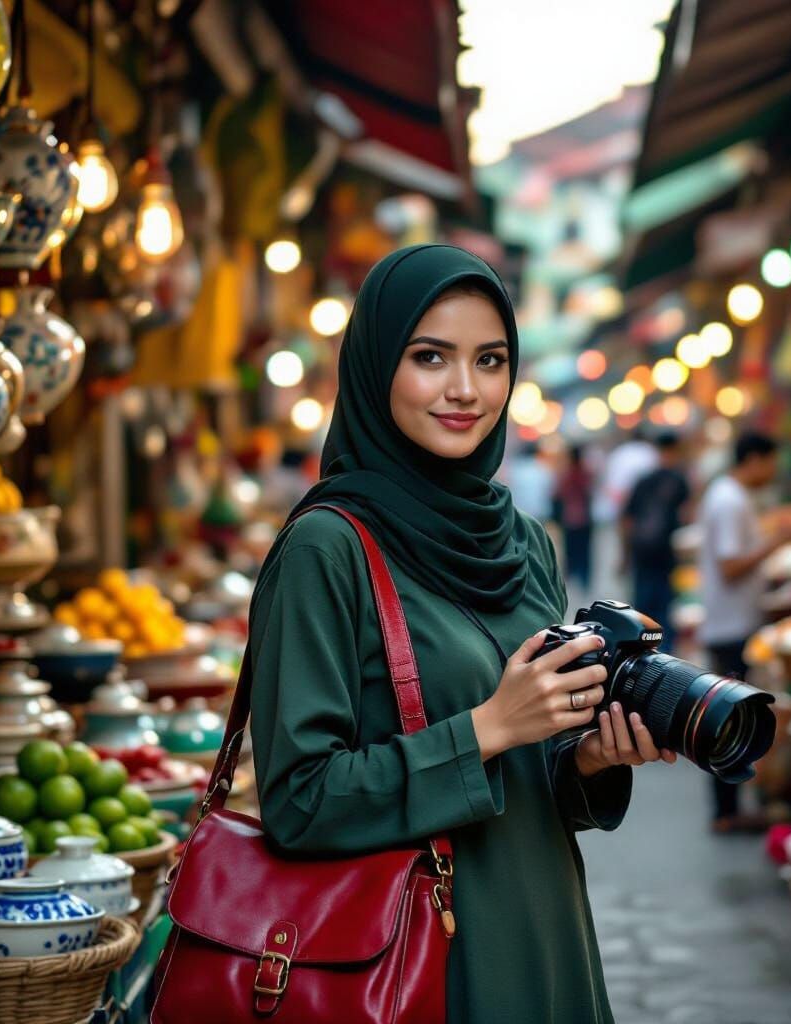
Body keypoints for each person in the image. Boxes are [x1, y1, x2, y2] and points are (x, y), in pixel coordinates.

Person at [248, 245, 677, 1024]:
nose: (464, 390)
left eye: (490, 360)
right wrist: (487, 727)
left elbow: (539, 781)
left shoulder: (524, 540)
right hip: (420, 957)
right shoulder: (329, 548)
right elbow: (298, 802)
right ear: (377, 367)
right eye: (429, 357)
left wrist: (589, 755)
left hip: (547, 927)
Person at [698, 430, 791, 833]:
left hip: (733, 621)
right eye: (772, 461)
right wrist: (778, 540)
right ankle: (726, 811)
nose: (775, 470)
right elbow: (731, 566)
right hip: (730, 626)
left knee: (732, 717)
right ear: (755, 460)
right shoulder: (729, 500)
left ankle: (730, 807)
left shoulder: (729, 495)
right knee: (729, 720)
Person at [621, 431, 690, 651]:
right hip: (667, 554)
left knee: (643, 606)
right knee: (666, 607)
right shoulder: (679, 481)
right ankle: (664, 654)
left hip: (642, 552)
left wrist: (625, 554)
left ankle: (642, 650)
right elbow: (687, 515)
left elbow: (627, 519)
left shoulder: (644, 480)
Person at [552, 444, 594, 590]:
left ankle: (570, 579)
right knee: (585, 551)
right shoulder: (586, 473)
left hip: (569, 518)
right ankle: (584, 580)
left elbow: (557, 494)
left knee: (570, 551)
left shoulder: (566, 474)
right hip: (585, 518)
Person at [505, 439, 555, 524]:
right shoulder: (543, 468)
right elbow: (551, 490)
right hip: (540, 510)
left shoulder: (515, 468)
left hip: (519, 510)